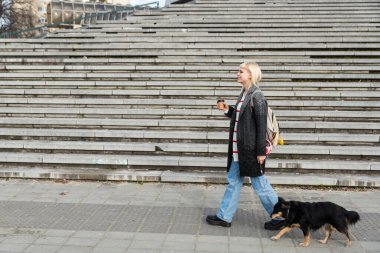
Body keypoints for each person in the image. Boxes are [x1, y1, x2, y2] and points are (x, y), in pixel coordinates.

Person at [206, 62, 285, 230]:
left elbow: (261, 124)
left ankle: (281, 217)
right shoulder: (244, 93)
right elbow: (242, 118)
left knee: (260, 185)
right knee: (233, 182)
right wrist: (228, 110)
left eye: (241, 71)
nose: (237, 74)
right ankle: (224, 216)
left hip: (251, 151)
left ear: (250, 74)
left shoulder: (257, 95)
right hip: (239, 150)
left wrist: (261, 152)